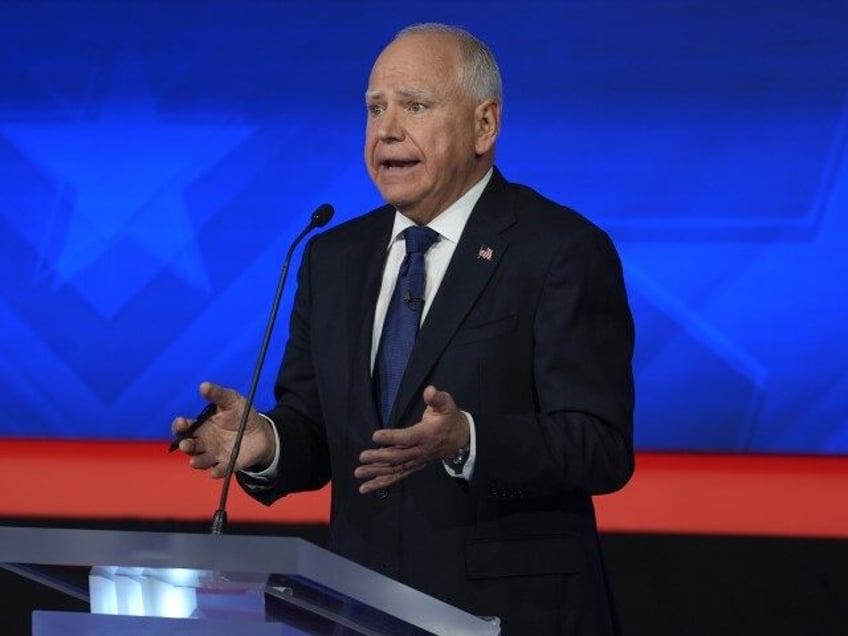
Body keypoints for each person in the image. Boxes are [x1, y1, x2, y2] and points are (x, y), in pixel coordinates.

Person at [172, 22, 634, 635]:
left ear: (484, 126)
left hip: (510, 615)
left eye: (415, 106)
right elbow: (316, 426)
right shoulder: (332, 257)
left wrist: (467, 439)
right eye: (374, 108)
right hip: (358, 609)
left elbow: (599, 447)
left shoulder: (560, 250)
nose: (386, 130)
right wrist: (266, 444)